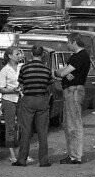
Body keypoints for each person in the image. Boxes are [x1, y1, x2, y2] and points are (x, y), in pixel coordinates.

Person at [13, 46, 53, 167]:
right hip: (42, 100)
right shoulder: (47, 70)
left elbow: (21, 84)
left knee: (25, 130)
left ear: (31, 54)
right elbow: (49, 85)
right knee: (42, 132)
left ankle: (21, 159)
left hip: (28, 100)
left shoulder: (25, 68)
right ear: (42, 55)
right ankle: (44, 161)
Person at [55, 33, 90, 164]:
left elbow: (63, 73)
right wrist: (66, 74)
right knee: (68, 123)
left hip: (73, 91)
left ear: (74, 42)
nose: (67, 44)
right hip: (71, 90)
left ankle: (75, 156)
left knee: (74, 124)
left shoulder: (80, 56)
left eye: (68, 42)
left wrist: (57, 72)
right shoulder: (78, 57)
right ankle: (72, 154)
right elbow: (68, 75)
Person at [0, 46, 24, 163]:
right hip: (9, 100)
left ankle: (23, 153)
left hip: (21, 99)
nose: (20, 56)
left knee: (23, 126)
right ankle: (12, 154)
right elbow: (2, 89)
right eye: (17, 54)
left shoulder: (21, 67)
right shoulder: (4, 70)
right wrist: (14, 90)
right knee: (10, 127)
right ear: (10, 56)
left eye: (20, 54)